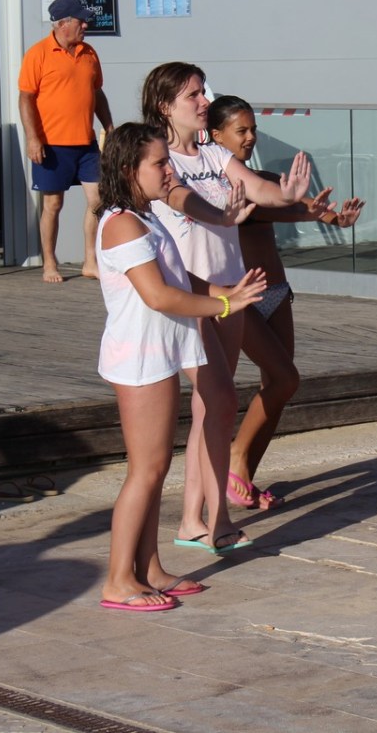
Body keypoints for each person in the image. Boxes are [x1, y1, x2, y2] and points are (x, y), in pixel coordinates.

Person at [141, 62, 319, 549]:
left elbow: (257, 188)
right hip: (193, 294)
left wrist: (286, 194)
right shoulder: (159, 160)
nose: (205, 101)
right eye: (194, 95)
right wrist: (221, 215)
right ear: (165, 106)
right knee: (217, 401)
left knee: (212, 408)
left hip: (230, 293)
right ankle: (210, 521)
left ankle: (195, 520)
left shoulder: (214, 153)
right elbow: (180, 199)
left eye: (203, 92)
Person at [94, 122, 266, 611]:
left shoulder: (144, 217)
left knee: (156, 468)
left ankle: (148, 568)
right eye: (159, 163)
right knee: (145, 470)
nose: (170, 171)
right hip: (139, 359)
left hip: (159, 353)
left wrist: (226, 292)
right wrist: (225, 307)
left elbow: (181, 278)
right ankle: (118, 580)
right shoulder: (121, 223)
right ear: (129, 169)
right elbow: (159, 295)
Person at [207, 95, 364, 508]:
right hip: (240, 297)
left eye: (253, 129)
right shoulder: (214, 187)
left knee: (277, 388)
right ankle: (235, 458)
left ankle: (243, 476)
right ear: (216, 135)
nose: (250, 137)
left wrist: (334, 218)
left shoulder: (260, 177)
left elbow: (296, 202)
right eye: (241, 130)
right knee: (285, 378)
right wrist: (309, 214)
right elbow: (269, 210)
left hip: (276, 292)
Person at [18, 0, 114, 283]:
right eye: (80, 21)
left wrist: (109, 126)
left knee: (98, 200)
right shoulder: (38, 54)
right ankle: (49, 262)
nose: (86, 25)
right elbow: (25, 98)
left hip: (86, 144)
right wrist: (32, 138)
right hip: (51, 144)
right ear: (63, 24)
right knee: (53, 204)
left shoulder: (89, 52)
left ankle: (90, 261)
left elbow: (96, 92)